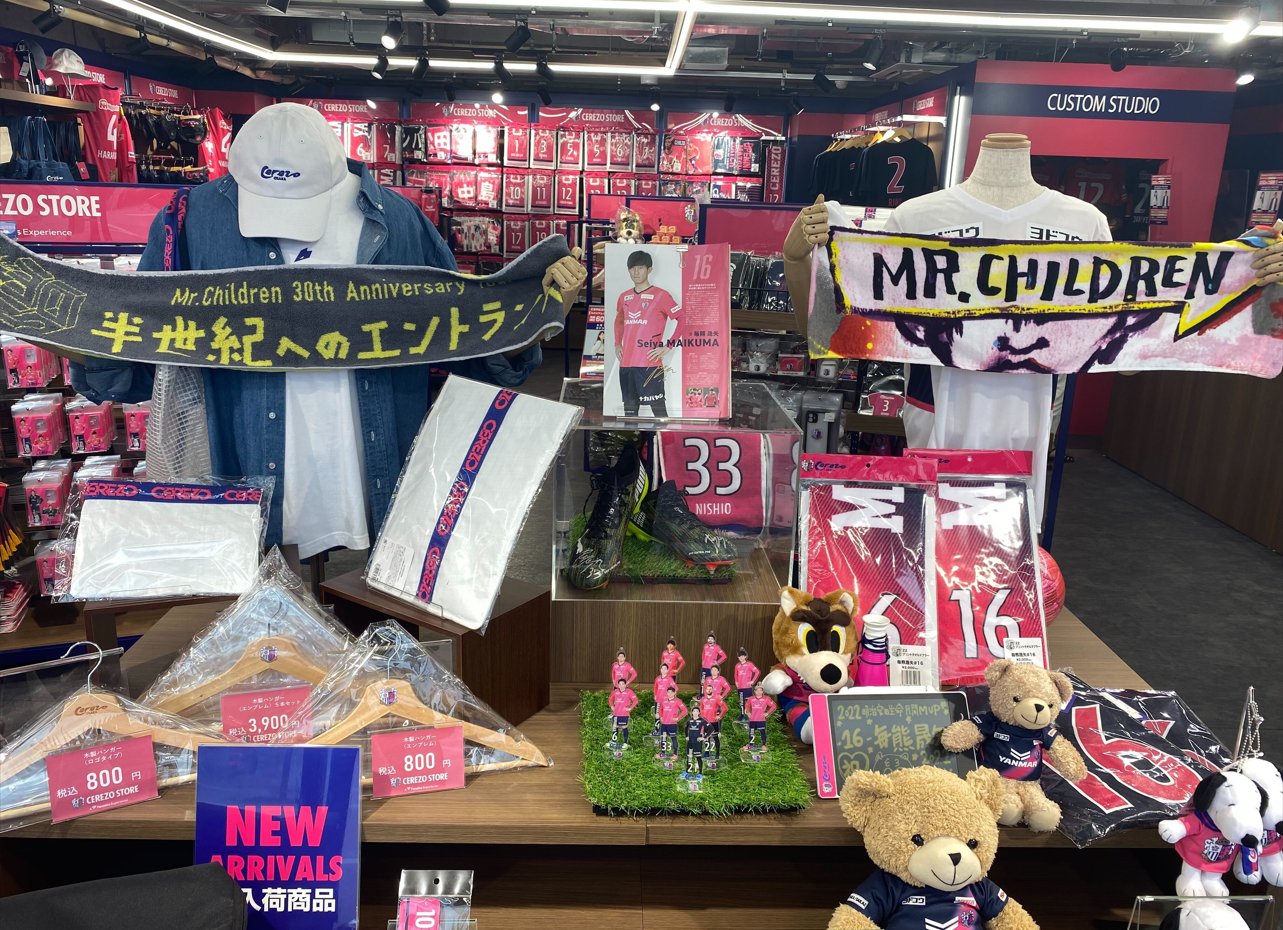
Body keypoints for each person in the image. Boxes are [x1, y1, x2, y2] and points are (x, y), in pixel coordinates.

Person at [71, 103, 585, 562]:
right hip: (243, 476)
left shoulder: (399, 223)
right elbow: (145, 359)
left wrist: (539, 312)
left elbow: (467, 341)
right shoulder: (190, 222)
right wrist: (73, 333)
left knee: (375, 628)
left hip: (372, 477)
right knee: (268, 634)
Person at [613, 249, 679, 417]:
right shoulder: (624, 297)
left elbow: (683, 319)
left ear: (649, 270)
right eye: (632, 268)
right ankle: (632, 436)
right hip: (626, 364)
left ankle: (665, 435)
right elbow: (619, 320)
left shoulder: (661, 295)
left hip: (650, 364)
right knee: (630, 411)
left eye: (640, 268)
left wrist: (669, 346)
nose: (636, 272)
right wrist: (617, 343)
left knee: (659, 411)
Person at [697, 683, 728, 758]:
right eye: (707, 689)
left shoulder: (717, 698)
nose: (709, 690)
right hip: (705, 722)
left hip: (714, 722)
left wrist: (719, 716)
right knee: (706, 738)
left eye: (710, 689)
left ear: (712, 690)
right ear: (705, 690)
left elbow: (725, 708)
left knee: (715, 738)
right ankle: (706, 753)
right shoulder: (703, 699)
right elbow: (701, 709)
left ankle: (717, 754)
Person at [657, 685, 688, 757]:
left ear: (674, 693)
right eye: (668, 692)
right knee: (663, 738)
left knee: (673, 738)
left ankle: (675, 754)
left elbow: (685, 711)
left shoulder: (678, 701)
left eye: (671, 692)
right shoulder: (664, 700)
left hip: (672, 724)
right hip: (664, 724)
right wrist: (661, 717)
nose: (669, 694)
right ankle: (663, 753)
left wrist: (678, 718)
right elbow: (660, 709)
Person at [744, 684, 777, 752]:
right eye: (757, 690)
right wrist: (748, 712)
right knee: (751, 732)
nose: (759, 692)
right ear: (754, 691)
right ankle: (750, 744)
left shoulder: (766, 698)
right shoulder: (751, 698)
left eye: (760, 690)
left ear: (762, 691)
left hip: (761, 720)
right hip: (752, 719)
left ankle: (764, 745)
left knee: (762, 732)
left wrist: (767, 713)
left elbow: (773, 706)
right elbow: (747, 705)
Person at [608, 678, 639, 749]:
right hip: (616, 714)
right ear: (618, 685)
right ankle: (614, 741)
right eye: (620, 684)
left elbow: (635, 700)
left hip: (624, 714)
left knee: (624, 727)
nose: (621, 685)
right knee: (615, 727)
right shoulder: (615, 691)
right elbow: (610, 699)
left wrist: (630, 708)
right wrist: (612, 706)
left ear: (625, 685)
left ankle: (625, 743)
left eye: (623, 684)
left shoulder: (629, 692)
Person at [733, 648, 760, 722]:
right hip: (740, 688)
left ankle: (749, 716)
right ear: (738, 657)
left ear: (745, 656)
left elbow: (757, 672)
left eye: (742, 656)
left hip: (747, 688)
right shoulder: (737, 665)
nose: (741, 657)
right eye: (739, 656)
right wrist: (736, 682)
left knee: (748, 702)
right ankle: (742, 716)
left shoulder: (749, 664)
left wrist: (752, 681)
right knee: (741, 702)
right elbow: (735, 674)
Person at [652, 661, 675, 733]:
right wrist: (655, 695)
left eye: (665, 669)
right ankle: (657, 730)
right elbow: (655, 688)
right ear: (660, 670)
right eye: (662, 669)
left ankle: (666, 731)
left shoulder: (669, 679)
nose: (663, 670)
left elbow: (675, 688)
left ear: (667, 670)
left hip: (666, 702)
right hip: (658, 701)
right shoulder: (657, 678)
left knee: (666, 715)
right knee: (657, 716)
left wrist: (671, 698)